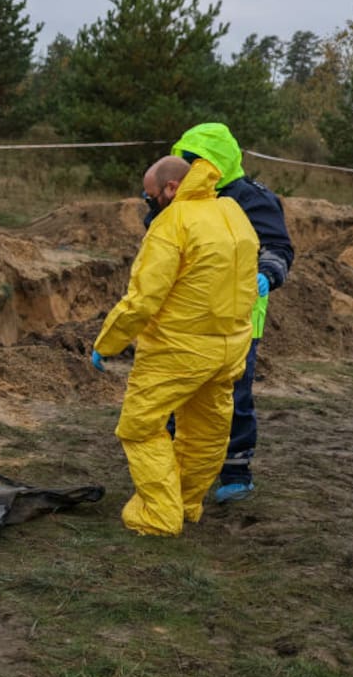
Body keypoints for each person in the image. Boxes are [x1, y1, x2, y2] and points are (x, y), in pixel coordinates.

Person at [92, 154, 259, 536]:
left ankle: (159, 515)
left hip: (177, 348)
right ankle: (185, 503)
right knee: (206, 431)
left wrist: (108, 342)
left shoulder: (173, 222)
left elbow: (143, 299)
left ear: (170, 188)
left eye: (151, 197)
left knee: (139, 426)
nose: (149, 204)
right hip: (230, 348)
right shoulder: (232, 211)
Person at [156, 122, 294, 504]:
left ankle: (235, 469)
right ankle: (171, 461)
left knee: (233, 394)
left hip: (239, 319)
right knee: (175, 388)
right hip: (184, 319)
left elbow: (277, 245)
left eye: (193, 161)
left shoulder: (250, 198)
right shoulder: (180, 197)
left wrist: (267, 274)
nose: (186, 170)